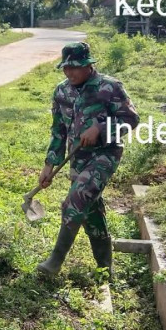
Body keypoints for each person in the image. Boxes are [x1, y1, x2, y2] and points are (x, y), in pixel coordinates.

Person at [36, 42, 139, 279]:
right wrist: (49, 165)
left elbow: (131, 120)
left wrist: (101, 129)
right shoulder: (62, 92)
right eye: (66, 68)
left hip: (105, 155)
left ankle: (54, 263)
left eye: (74, 67)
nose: (69, 72)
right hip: (78, 159)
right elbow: (58, 130)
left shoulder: (109, 87)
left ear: (88, 66)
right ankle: (105, 268)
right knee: (91, 211)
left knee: (75, 200)